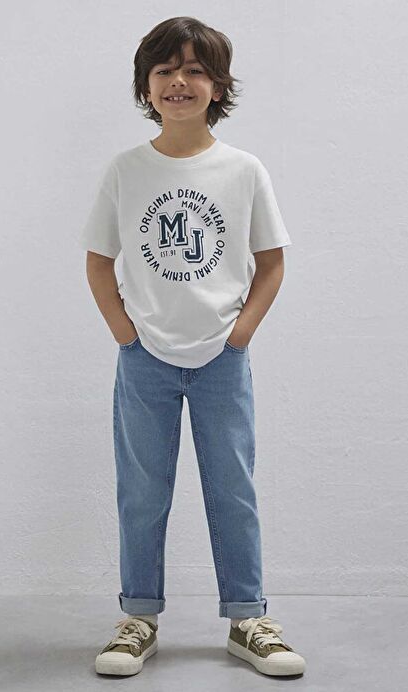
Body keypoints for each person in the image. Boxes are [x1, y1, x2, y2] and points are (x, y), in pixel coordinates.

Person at [79, 16, 306, 678]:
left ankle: (247, 617)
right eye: (164, 70)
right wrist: (126, 336)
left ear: (218, 86)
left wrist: (239, 335)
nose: (179, 81)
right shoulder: (126, 171)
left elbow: (271, 262)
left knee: (232, 487)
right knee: (141, 490)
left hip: (221, 360)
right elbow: (99, 260)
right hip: (144, 359)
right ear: (145, 86)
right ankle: (138, 617)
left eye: (195, 70)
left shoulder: (242, 170)